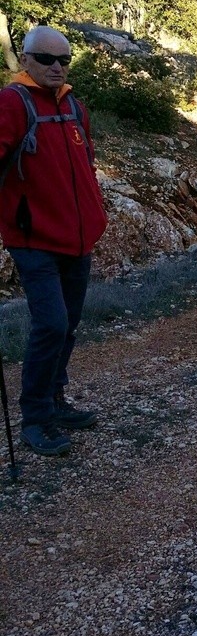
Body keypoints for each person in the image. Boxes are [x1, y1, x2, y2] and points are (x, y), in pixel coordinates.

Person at [0, 26, 107, 456]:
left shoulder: (73, 107)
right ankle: (36, 417)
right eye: (46, 59)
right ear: (25, 60)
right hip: (33, 239)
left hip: (77, 238)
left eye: (64, 59)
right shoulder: (11, 103)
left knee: (70, 323)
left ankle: (55, 399)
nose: (57, 67)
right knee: (52, 324)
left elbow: (87, 162)